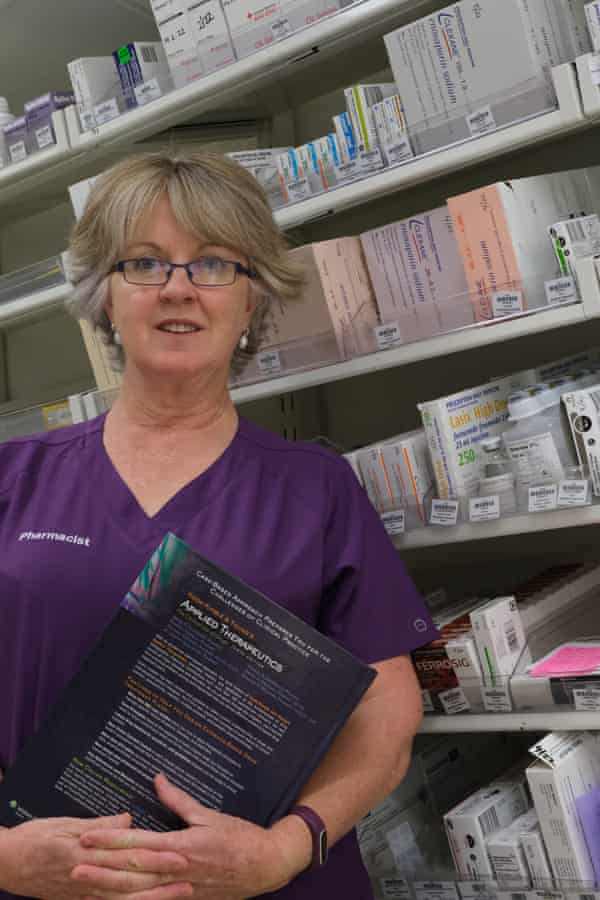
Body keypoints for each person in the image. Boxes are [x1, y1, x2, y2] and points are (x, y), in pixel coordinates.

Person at [0, 151, 437, 900]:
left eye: (212, 265)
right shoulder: (13, 478)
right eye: (144, 262)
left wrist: (283, 849)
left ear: (251, 302)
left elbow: (388, 708)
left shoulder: (316, 490)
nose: (178, 288)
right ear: (105, 296)